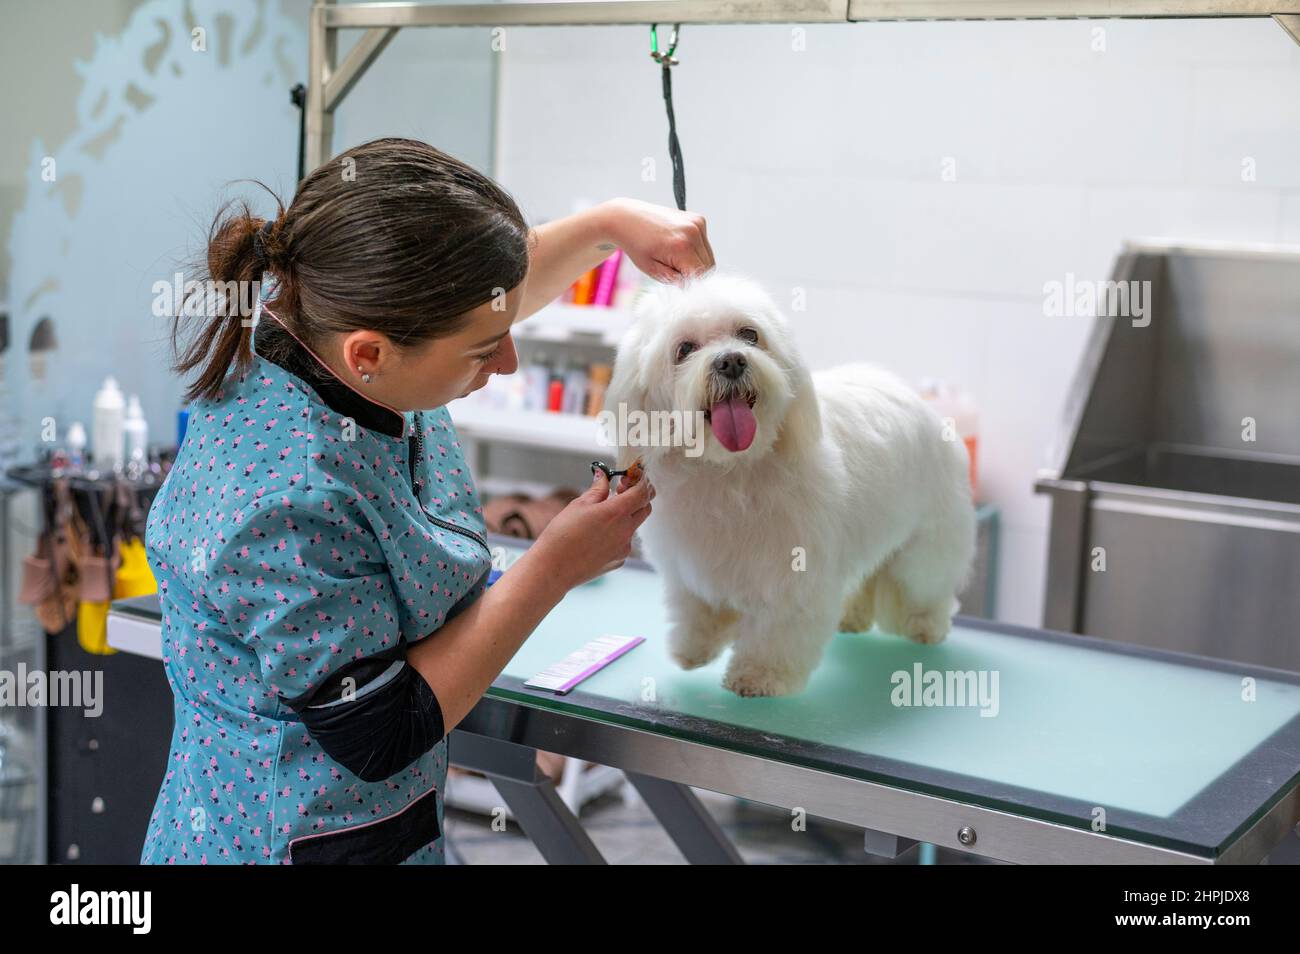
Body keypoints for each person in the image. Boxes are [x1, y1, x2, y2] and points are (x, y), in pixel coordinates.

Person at [141, 137, 714, 863]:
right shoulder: (286, 500)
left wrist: (611, 224)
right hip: (292, 837)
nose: (509, 360)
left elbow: (484, 298)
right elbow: (382, 733)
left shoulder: (328, 318)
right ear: (371, 355)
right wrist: (553, 567)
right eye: (485, 351)